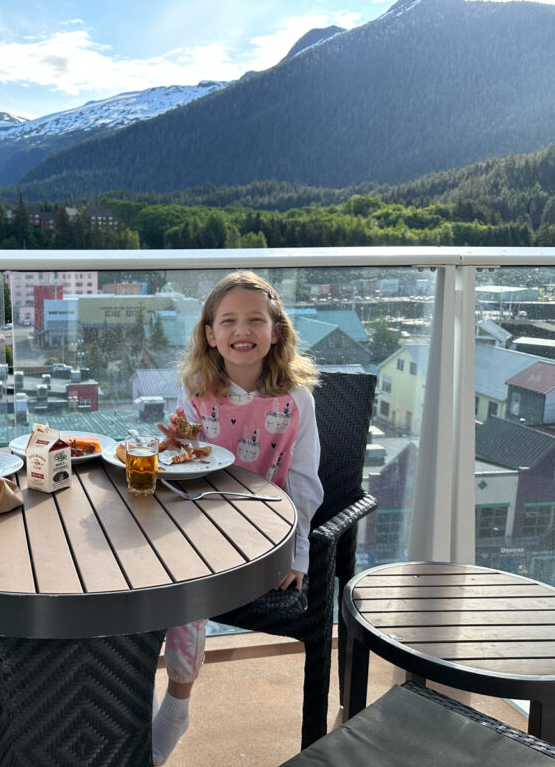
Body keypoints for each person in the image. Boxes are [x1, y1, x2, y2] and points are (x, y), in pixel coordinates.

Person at [151, 270, 323, 766]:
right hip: (201, 518)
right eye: (228, 320)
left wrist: (301, 551)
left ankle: (177, 705)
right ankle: (130, 691)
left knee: (184, 587)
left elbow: (306, 482)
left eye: (255, 319)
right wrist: (176, 446)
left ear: (276, 332)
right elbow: (187, 456)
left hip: (261, 532)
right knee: (141, 576)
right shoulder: (197, 390)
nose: (241, 329)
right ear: (210, 334)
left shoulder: (296, 402)